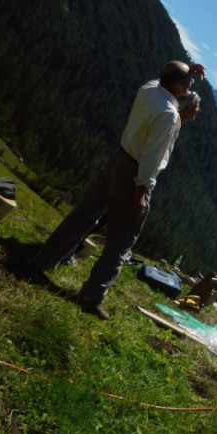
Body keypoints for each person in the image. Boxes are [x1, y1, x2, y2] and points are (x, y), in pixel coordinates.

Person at [33, 61, 205, 320]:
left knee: (84, 215)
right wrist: (141, 193)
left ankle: (44, 259)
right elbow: (152, 157)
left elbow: (165, 82)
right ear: (179, 86)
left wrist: (187, 71)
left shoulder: (148, 90)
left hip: (117, 161)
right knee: (122, 240)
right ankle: (92, 295)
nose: (191, 87)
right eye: (189, 83)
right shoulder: (169, 116)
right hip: (134, 174)